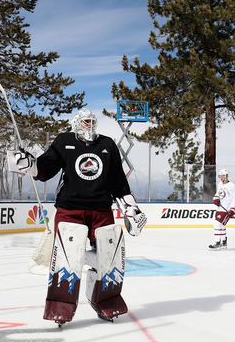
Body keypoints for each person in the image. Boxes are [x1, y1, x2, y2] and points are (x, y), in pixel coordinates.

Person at [9, 108, 146, 325]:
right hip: (70, 209)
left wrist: (130, 208)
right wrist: (29, 164)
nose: (89, 126)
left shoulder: (108, 144)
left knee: (107, 260)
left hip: (101, 210)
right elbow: (45, 169)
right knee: (67, 259)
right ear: (76, 123)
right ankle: (60, 307)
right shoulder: (64, 141)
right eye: (85, 122)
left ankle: (105, 303)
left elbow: (118, 181)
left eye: (92, 122)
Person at [209, 169, 235, 250]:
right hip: (220, 208)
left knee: (217, 224)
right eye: (220, 176)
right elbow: (218, 194)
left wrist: (232, 209)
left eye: (222, 176)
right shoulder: (220, 184)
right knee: (221, 225)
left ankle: (217, 242)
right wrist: (215, 199)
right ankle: (223, 243)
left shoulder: (231, 186)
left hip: (226, 209)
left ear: (226, 176)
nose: (221, 178)